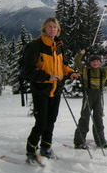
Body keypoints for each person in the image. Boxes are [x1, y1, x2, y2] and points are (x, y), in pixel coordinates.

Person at [22, 17, 80, 163]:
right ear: (44, 29)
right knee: (41, 123)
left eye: (55, 27)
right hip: (41, 90)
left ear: (58, 29)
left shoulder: (59, 45)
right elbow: (27, 71)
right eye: (49, 27)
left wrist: (70, 72)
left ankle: (46, 147)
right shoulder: (35, 45)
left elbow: (63, 65)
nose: (52, 29)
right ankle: (30, 150)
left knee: (51, 121)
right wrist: (48, 77)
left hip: (56, 89)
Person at [73, 49, 107, 149]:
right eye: (93, 61)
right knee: (85, 118)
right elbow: (76, 61)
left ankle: (101, 141)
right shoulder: (85, 70)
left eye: (97, 61)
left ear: (100, 62)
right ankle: (79, 142)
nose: (95, 63)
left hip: (99, 96)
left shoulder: (104, 70)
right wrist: (81, 53)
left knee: (98, 118)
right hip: (88, 96)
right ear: (90, 63)